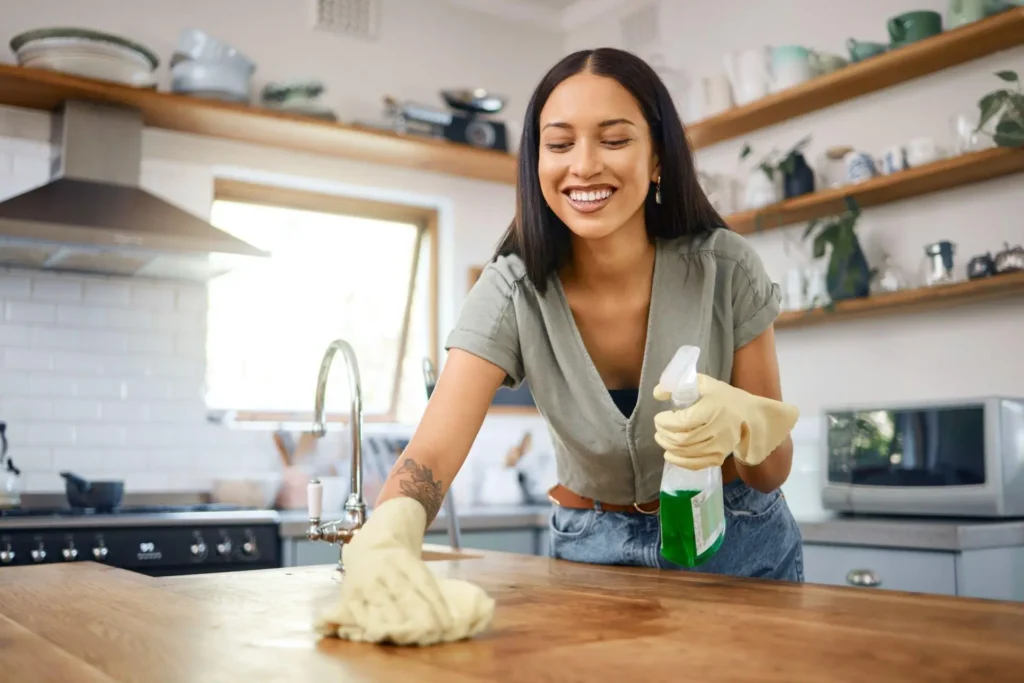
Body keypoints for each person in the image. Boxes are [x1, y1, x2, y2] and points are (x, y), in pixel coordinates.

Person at [317, 47, 802, 645]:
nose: (585, 165)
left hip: (739, 548)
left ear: (657, 159)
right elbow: (432, 455)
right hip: (589, 554)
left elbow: (771, 473)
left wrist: (746, 424)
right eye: (560, 143)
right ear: (536, 162)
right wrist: (389, 533)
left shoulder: (727, 269)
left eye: (614, 139)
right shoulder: (511, 290)